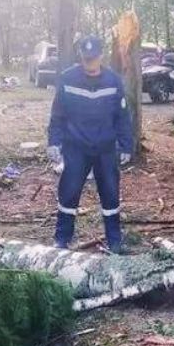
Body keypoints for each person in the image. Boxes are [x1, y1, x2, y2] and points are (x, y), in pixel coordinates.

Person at [46, 35, 134, 252]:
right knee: (69, 192)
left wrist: (126, 145)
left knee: (110, 194)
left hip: (105, 149)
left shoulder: (113, 81)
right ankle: (62, 239)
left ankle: (115, 241)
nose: (90, 64)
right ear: (81, 57)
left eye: (93, 59)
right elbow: (58, 114)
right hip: (75, 147)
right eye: (86, 59)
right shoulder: (68, 79)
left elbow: (122, 116)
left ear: (101, 56)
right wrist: (54, 142)